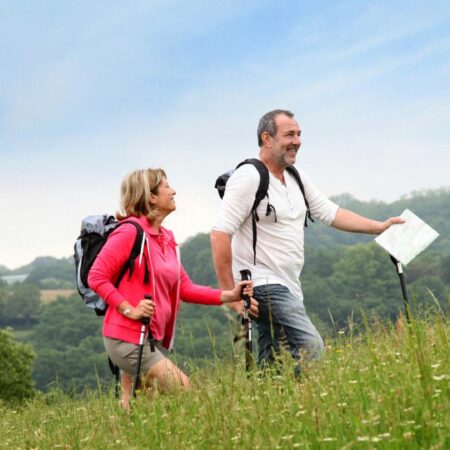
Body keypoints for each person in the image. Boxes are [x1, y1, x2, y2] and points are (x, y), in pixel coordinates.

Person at [210, 109, 404, 370]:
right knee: (311, 347)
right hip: (263, 284)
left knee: (273, 365)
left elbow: (331, 213)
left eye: (299, 134)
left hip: (290, 285)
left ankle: (274, 405)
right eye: (289, 134)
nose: (297, 141)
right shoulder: (249, 177)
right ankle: (311, 404)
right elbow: (220, 233)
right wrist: (229, 294)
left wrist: (379, 227)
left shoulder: (295, 176)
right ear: (267, 139)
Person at [88, 168, 254, 409]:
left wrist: (229, 295)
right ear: (151, 196)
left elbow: (184, 288)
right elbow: (97, 276)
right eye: (166, 186)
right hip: (127, 337)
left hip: (148, 337)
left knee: (138, 410)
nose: (173, 190)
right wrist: (129, 309)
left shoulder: (166, 237)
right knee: (190, 393)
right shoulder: (130, 232)